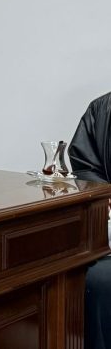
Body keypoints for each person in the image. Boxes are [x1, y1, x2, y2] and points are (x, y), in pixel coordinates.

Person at [68, 91, 111, 348]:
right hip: (107, 229)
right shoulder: (101, 109)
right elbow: (85, 167)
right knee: (95, 279)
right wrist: (105, 193)